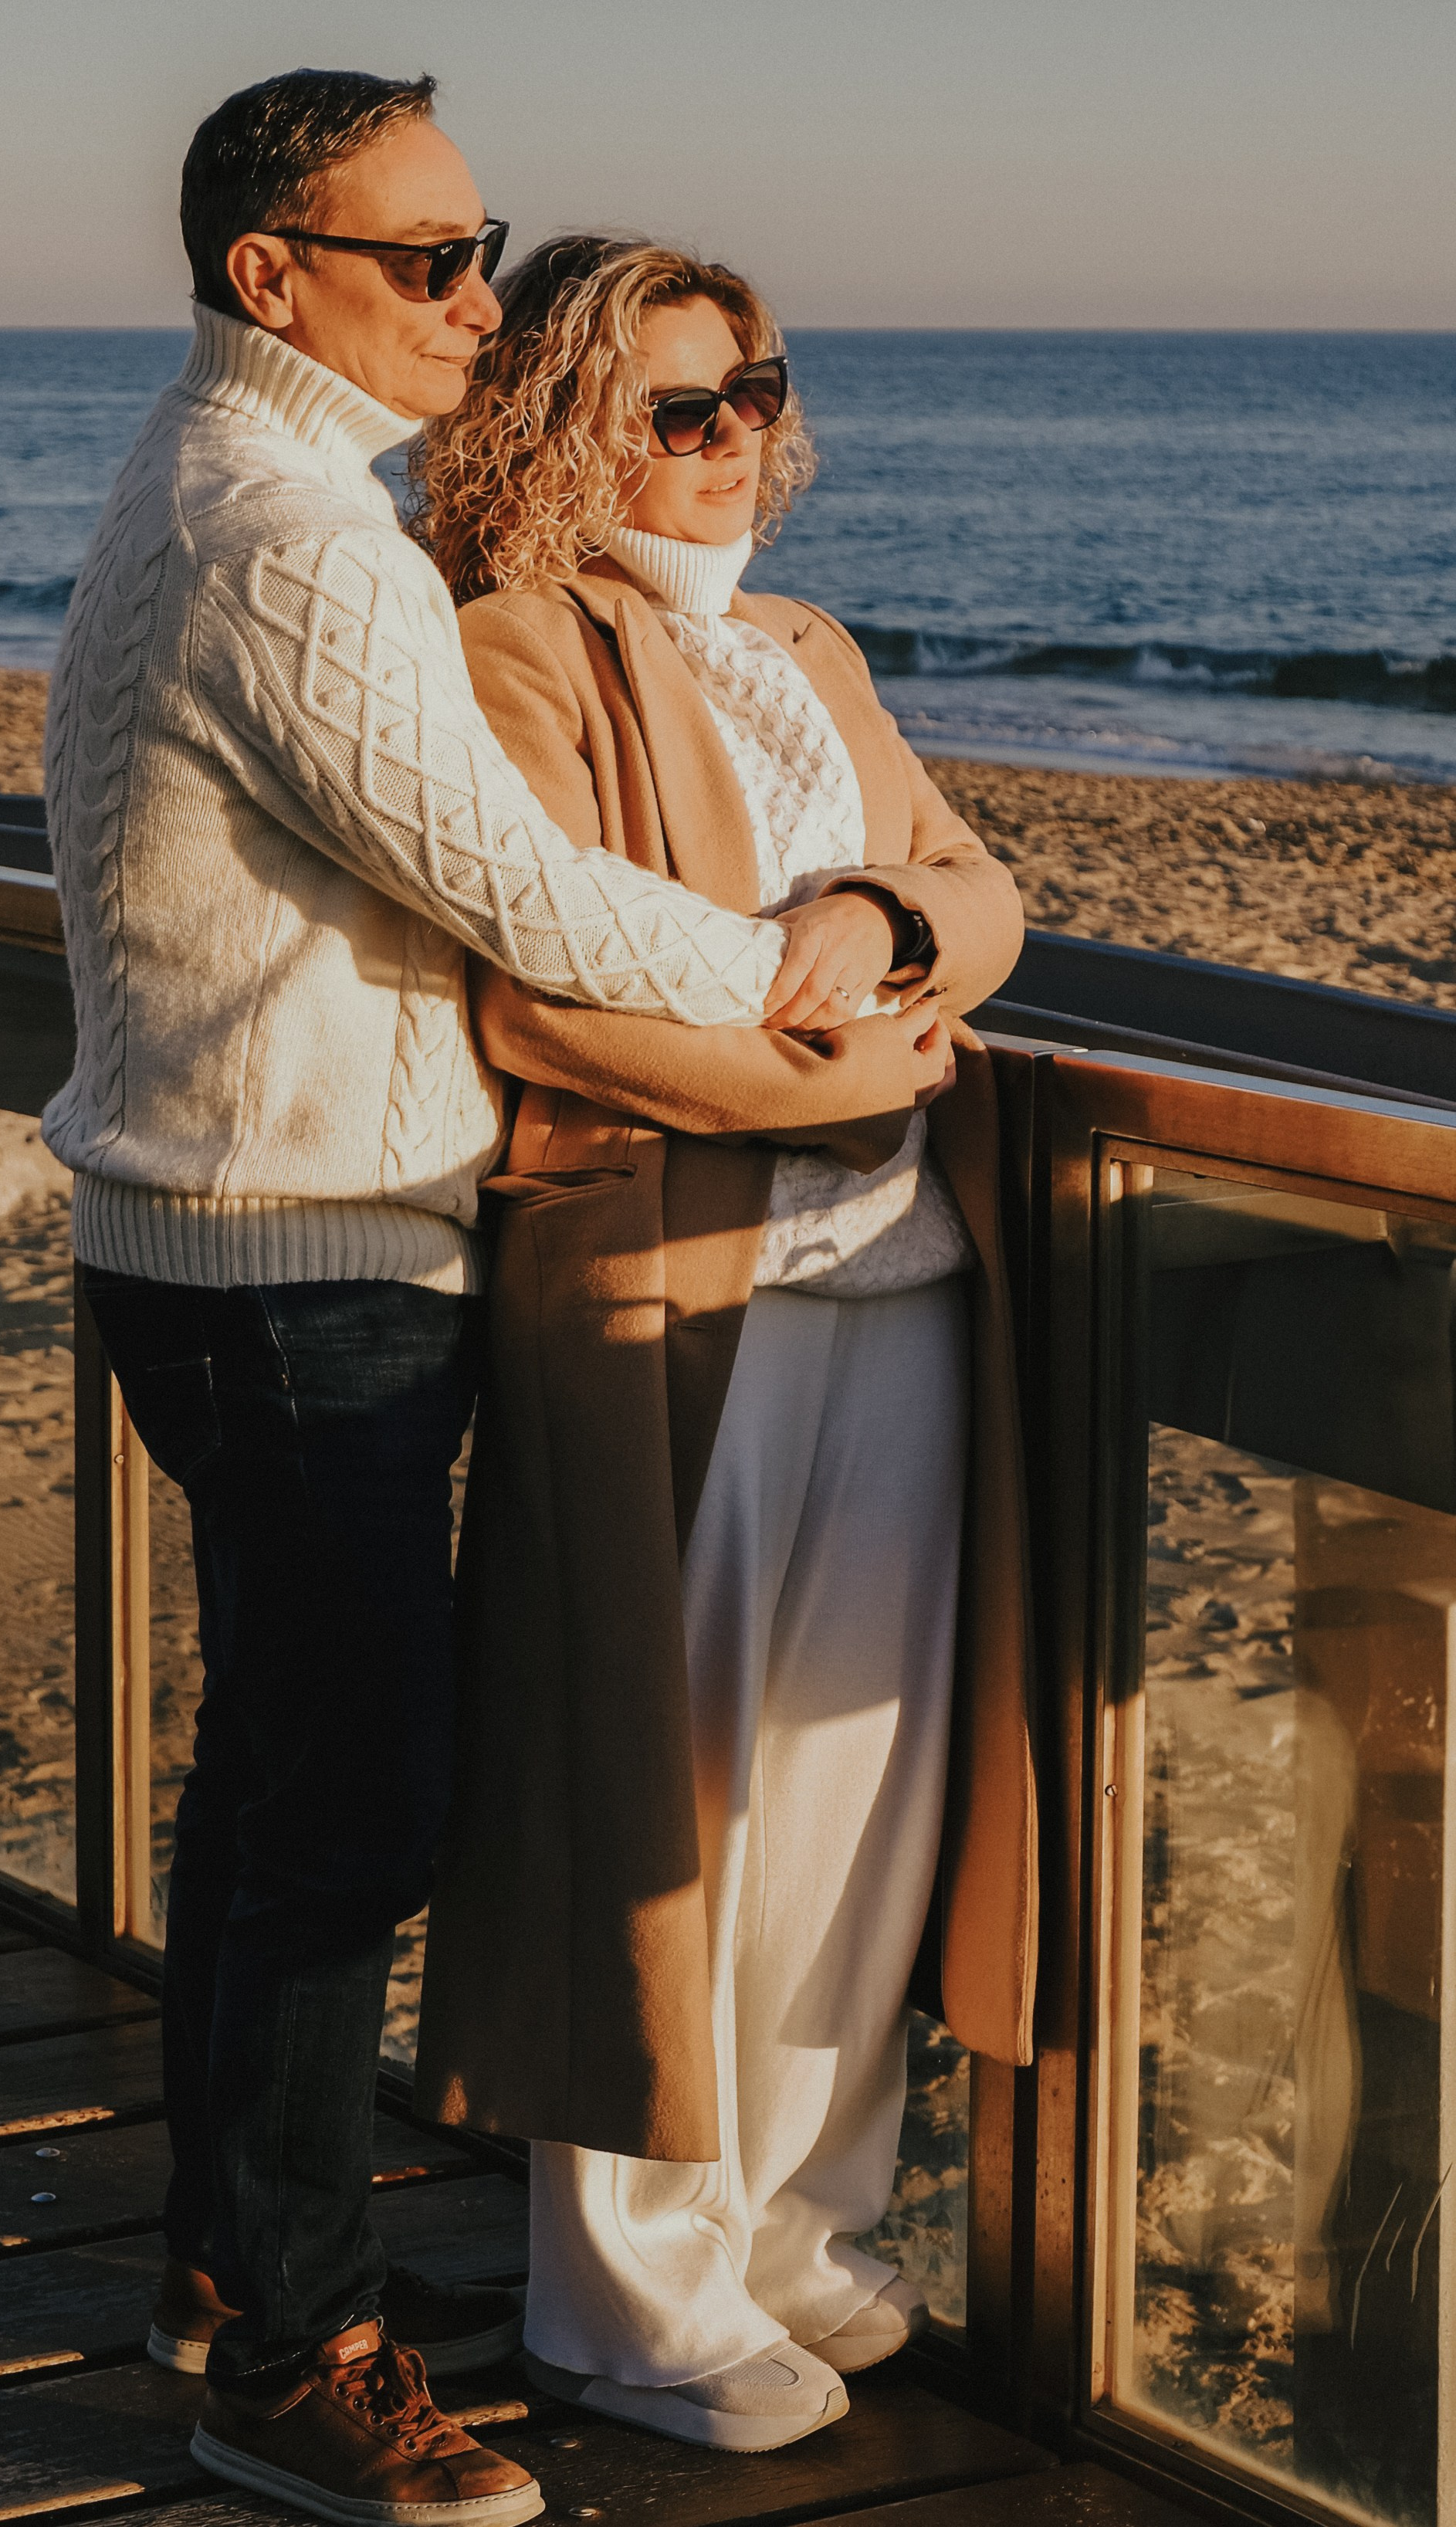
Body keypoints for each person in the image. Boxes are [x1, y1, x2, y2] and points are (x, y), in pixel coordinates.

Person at [44, 74, 899, 2527]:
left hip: (229, 1231)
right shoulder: (292, 535)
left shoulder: (215, 478)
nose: (481, 298)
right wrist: (800, 985)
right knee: (352, 1817)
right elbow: (515, 889)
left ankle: (236, 2268)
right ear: (270, 276)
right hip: (295, 1255)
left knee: (276, 1792)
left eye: (482, 244)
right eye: (429, 260)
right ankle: (289, 2364)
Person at [411, 238, 1040, 2454]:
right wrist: (881, 1063)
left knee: (844, 1799)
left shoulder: (806, 642)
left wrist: (874, 925)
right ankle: (625, 2296)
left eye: (752, 389)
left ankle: (795, 2221)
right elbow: (547, 1002)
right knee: (651, 1798)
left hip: (897, 1281)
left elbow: (982, 888)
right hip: (670, 1291)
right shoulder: (512, 647)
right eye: (677, 407)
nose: (734, 439)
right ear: (564, 430)